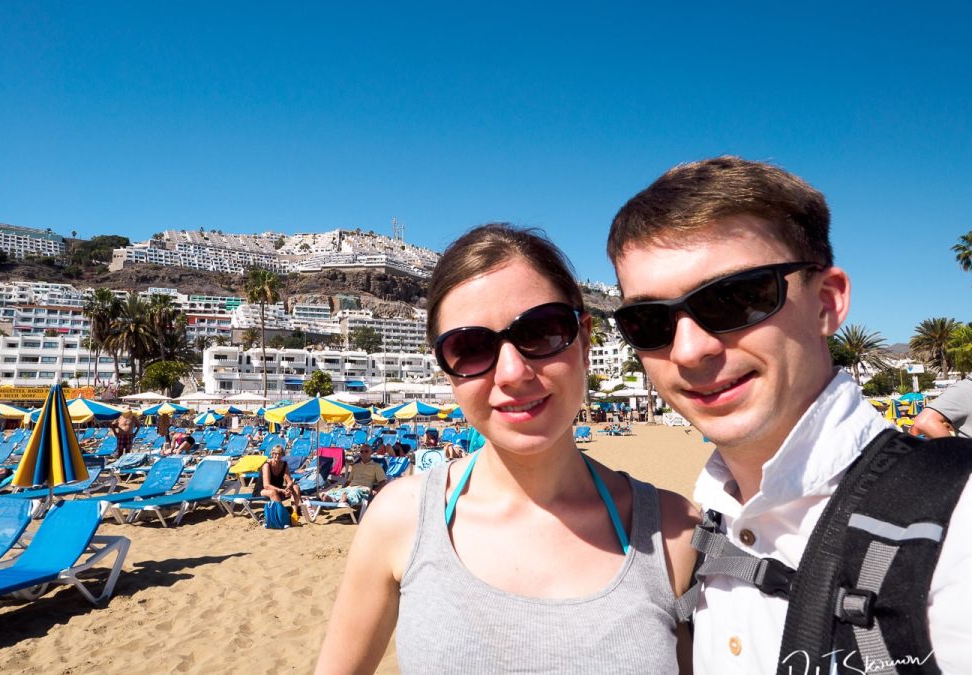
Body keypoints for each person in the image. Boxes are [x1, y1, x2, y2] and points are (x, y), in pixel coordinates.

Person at [606, 156, 972, 673]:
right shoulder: (697, 534)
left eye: (733, 299)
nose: (688, 350)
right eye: (648, 321)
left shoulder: (956, 522)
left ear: (827, 303)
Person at [316, 224, 698, 674]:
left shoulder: (675, 533)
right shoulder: (401, 520)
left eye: (541, 332)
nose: (513, 373)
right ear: (446, 371)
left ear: (585, 340)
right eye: (471, 347)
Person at [320, 446, 387, 505]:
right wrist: (343, 488)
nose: (363, 453)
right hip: (351, 487)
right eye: (361, 451)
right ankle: (332, 499)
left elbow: (383, 481)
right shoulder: (356, 466)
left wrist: (376, 490)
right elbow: (349, 481)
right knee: (334, 492)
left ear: (371, 452)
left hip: (363, 488)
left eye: (366, 451)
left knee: (354, 493)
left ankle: (345, 500)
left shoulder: (376, 466)